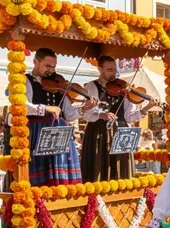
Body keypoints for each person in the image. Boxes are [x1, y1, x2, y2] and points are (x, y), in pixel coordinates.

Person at [24, 48, 94, 186]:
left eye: (54, 67)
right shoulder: (26, 81)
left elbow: (68, 114)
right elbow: (22, 106)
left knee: (63, 179)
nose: (51, 70)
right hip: (38, 131)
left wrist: (84, 108)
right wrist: (45, 108)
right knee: (40, 175)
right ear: (35, 62)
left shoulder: (60, 83)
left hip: (61, 132)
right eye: (47, 66)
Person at [80, 56, 154, 183]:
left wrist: (147, 107)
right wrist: (101, 115)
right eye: (109, 70)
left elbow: (129, 117)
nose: (113, 73)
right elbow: (84, 114)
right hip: (100, 133)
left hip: (121, 133)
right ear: (99, 69)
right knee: (99, 166)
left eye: (114, 70)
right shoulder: (92, 86)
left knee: (122, 168)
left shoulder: (123, 87)